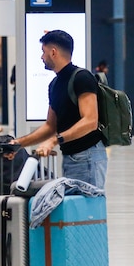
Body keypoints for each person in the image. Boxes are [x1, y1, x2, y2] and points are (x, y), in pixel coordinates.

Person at [11, 30, 107, 188]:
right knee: (73, 209)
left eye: (43, 52)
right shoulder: (54, 85)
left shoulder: (82, 78)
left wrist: (55, 140)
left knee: (85, 210)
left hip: (88, 156)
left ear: (53, 52)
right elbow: (50, 126)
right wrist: (18, 143)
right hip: (71, 157)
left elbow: (90, 120)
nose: (42, 57)